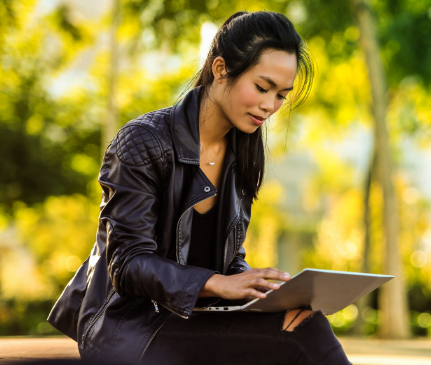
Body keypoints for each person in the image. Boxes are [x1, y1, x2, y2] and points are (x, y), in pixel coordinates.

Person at [47, 11, 351, 365]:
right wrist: (216, 283)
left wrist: (263, 291)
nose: (270, 106)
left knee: (304, 322)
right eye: (262, 87)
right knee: (299, 340)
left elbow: (227, 258)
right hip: (128, 327)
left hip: (194, 318)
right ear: (220, 69)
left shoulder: (243, 153)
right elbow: (127, 263)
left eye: (282, 95)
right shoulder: (143, 140)